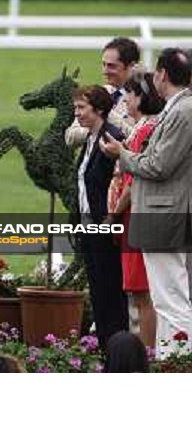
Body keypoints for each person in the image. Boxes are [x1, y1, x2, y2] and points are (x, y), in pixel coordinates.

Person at [100, 48, 192, 358]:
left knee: (171, 300)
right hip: (162, 214)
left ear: (163, 74)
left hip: (165, 215)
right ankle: (170, 361)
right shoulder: (176, 108)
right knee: (166, 299)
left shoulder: (182, 110)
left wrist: (121, 155)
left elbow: (158, 166)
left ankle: (181, 364)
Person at [106, 71, 164, 348]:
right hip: (136, 215)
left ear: (140, 97)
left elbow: (132, 180)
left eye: (128, 95)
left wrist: (114, 213)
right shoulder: (146, 126)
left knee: (143, 293)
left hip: (134, 217)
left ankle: (148, 355)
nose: (125, 101)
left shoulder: (144, 129)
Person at [73, 85, 128, 349]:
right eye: (76, 108)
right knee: (97, 291)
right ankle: (107, 349)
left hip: (105, 228)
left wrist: (111, 217)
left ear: (99, 110)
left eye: (82, 108)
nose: (77, 114)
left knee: (110, 292)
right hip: (89, 227)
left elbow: (121, 183)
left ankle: (116, 350)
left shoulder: (111, 138)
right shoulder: (90, 138)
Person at [65, 37, 140, 147]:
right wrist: (97, 127)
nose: (104, 71)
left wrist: (105, 116)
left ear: (131, 66)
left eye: (111, 66)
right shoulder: (99, 92)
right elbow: (71, 137)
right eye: (103, 64)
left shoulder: (143, 100)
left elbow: (139, 139)